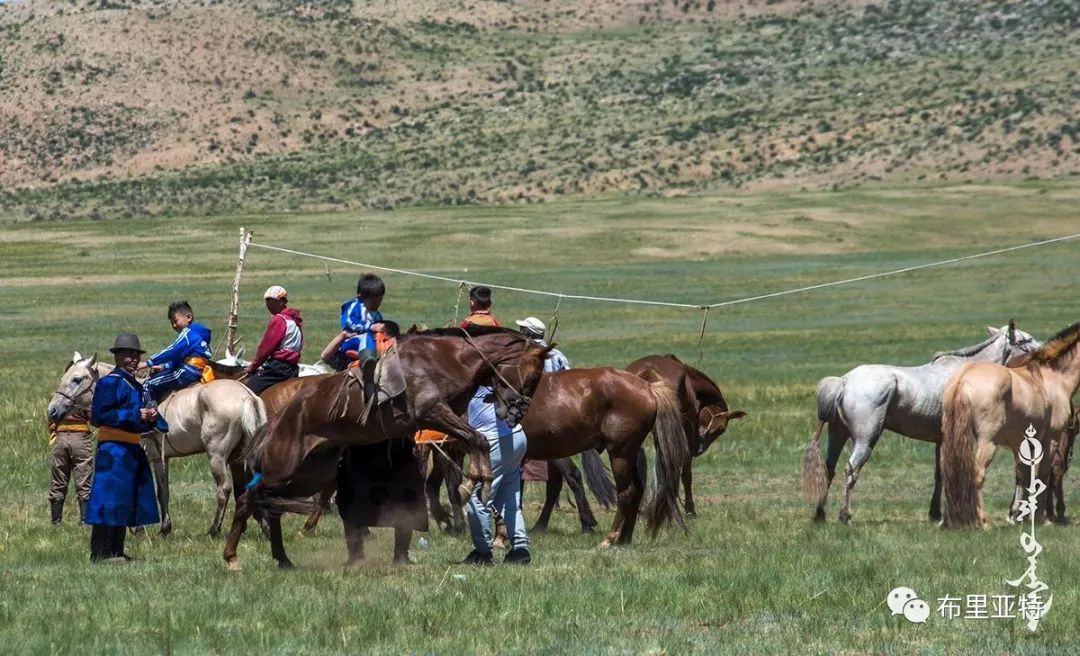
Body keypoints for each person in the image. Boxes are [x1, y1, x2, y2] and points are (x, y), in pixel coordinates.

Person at [85, 334, 160, 563]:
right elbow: (100, 416)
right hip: (113, 450)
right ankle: (100, 552)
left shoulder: (135, 385)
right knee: (108, 498)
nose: (134, 359)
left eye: (136, 355)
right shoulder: (110, 383)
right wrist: (134, 414)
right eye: (128, 355)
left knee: (124, 499)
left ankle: (116, 550)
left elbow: (140, 419)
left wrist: (151, 418)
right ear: (117, 357)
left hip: (130, 449)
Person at [462, 384, 530, 566]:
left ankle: (483, 553)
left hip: (492, 442)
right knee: (509, 497)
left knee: (478, 499)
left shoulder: (472, 374)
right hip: (517, 437)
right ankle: (520, 549)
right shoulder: (501, 374)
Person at [139, 300, 212, 433]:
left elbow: (171, 351)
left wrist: (148, 362)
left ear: (188, 317)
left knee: (148, 385)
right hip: (198, 370)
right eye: (171, 322)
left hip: (187, 371)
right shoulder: (200, 334)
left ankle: (153, 420)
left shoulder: (187, 334)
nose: (173, 325)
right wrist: (163, 367)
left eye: (175, 320)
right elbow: (181, 357)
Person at [515, 317, 570, 485]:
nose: (519, 332)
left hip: (532, 409)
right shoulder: (558, 355)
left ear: (527, 333)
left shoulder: (523, 355)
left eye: (522, 329)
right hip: (556, 407)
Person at [245, 285, 304, 395]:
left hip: (278, 368)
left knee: (247, 393)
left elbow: (265, 348)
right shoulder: (294, 321)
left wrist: (253, 367)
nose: (268, 305)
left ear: (282, 302)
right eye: (267, 302)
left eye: (271, 302)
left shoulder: (279, 320)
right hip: (293, 369)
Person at [47, 414, 93, 525]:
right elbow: (93, 416)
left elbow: (50, 415)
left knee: (58, 480)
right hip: (80, 438)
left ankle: (56, 522)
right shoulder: (85, 395)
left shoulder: (57, 396)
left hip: (60, 437)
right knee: (84, 481)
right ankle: (84, 521)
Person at [338, 274, 385, 369]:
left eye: (380, 301)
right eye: (373, 302)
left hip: (369, 343)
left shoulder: (377, 314)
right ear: (360, 298)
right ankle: (368, 361)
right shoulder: (354, 307)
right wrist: (369, 327)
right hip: (350, 341)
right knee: (366, 337)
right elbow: (349, 322)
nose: (377, 305)